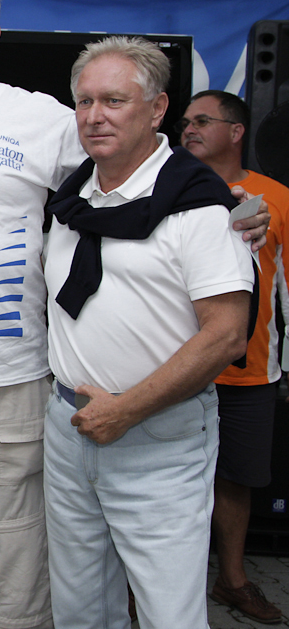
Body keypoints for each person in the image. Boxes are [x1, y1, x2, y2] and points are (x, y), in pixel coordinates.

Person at [0, 0, 270, 629]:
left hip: (16, 385)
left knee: (20, 570)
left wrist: (231, 204)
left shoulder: (46, 120)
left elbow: (144, 170)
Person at [43, 35, 254, 629]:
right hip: (69, 429)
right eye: (85, 102)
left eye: (114, 100)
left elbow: (226, 335)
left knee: (169, 614)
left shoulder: (202, 205)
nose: (95, 116)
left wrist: (127, 409)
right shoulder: (70, 200)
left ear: (158, 109)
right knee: (80, 611)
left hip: (158, 435)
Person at [181, 90, 288, 623]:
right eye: (185, 121)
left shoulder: (277, 197)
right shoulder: (167, 188)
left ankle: (233, 580)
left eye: (203, 121)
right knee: (165, 482)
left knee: (236, 479)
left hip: (248, 372)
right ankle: (144, 588)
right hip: (175, 370)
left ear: (237, 130)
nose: (189, 129)